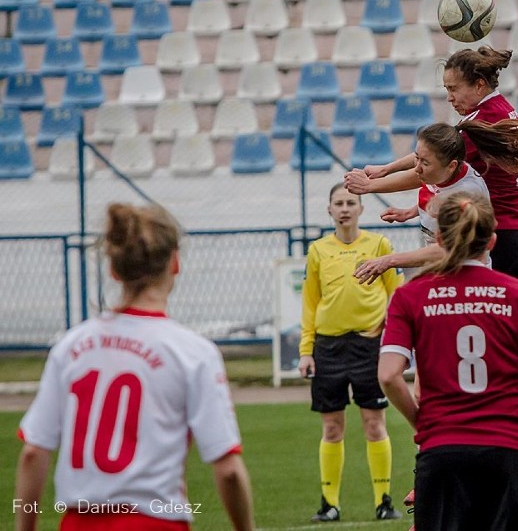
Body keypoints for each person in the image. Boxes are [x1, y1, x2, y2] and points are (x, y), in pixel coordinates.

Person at [15, 203, 254, 531]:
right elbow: (227, 469)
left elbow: (33, 452)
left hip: (79, 522)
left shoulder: (70, 347)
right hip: (155, 521)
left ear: (113, 269)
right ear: (175, 263)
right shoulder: (193, 352)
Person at [378, 191, 518, 531]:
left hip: (443, 450)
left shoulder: (410, 296)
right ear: (492, 241)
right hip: (511, 449)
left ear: (438, 238)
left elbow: (390, 375)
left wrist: (423, 424)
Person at [346, 46, 518, 409]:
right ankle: (490, 414)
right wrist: (402, 191)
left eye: (454, 88)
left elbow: (428, 164)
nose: (449, 96)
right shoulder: (490, 113)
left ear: (480, 84)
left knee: (514, 341)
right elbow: (434, 162)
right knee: (498, 337)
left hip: (508, 238)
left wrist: (373, 183)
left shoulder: (478, 124)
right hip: (517, 233)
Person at [297, 183, 403, 522]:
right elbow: (310, 302)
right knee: (331, 428)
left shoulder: (379, 244)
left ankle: (384, 502)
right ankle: (329, 504)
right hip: (328, 347)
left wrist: (393, 343)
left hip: (369, 346)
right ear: (329, 210)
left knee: (374, 423)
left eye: (351, 202)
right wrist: (306, 350)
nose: (344, 208)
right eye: (338, 203)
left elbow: (396, 299)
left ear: (360, 209)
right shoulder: (317, 250)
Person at [353, 118, 518, 284]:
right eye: (416, 157)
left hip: (466, 280)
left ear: (451, 166)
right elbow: (438, 195)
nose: (416, 168)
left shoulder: (467, 194)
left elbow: (448, 250)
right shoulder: (441, 175)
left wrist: (388, 260)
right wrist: (410, 212)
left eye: (424, 163)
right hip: (441, 271)